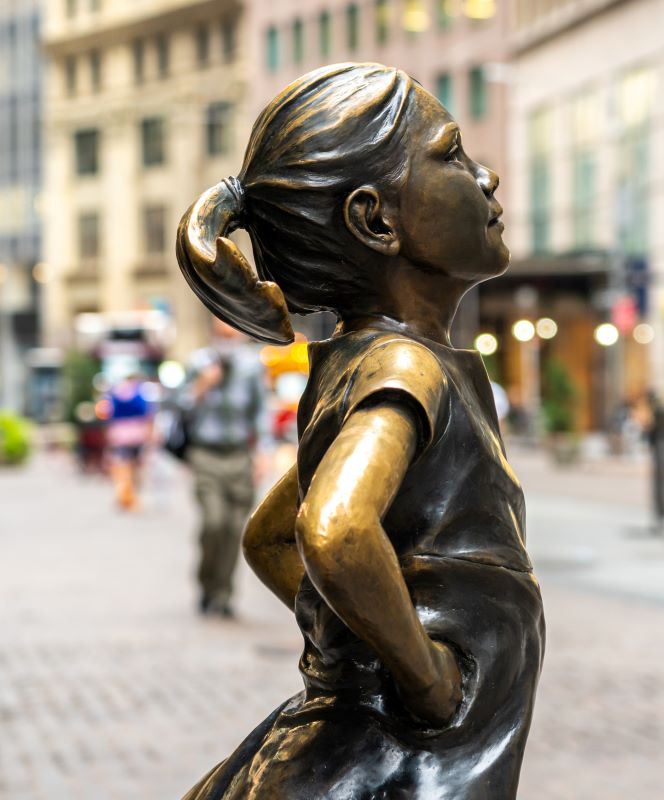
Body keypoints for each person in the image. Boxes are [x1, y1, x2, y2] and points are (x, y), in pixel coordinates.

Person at [175, 64, 543, 799]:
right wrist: (425, 678)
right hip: (390, 760)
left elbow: (270, 537)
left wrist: (353, 640)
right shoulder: (406, 366)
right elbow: (335, 530)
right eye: (452, 155)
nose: (488, 176)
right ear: (377, 220)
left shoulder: (370, 364)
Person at [178, 318, 272, 618]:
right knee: (213, 522)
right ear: (212, 334)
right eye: (221, 334)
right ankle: (207, 584)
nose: (226, 339)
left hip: (239, 457)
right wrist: (201, 387)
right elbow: (177, 406)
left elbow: (260, 413)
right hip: (206, 455)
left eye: (231, 334)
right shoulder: (199, 363)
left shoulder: (252, 368)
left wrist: (263, 452)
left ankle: (224, 593)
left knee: (234, 529)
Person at [103, 373, 153, 511]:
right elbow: (146, 414)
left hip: (119, 434)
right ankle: (133, 496)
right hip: (137, 433)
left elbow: (108, 414)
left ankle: (123, 494)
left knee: (122, 465)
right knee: (136, 466)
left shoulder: (115, 394)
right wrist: (150, 433)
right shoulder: (139, 393)